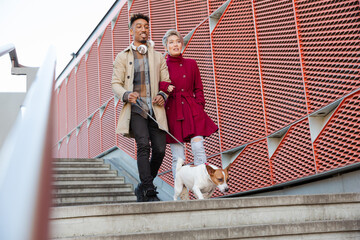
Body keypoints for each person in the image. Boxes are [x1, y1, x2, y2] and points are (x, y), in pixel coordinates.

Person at [112, 13, 171, 202]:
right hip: (136, 108)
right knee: (143, 145)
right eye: (138, 26)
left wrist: (163, 95)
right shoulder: (122, 57)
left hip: (155, 109)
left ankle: (143, 184)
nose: (143, 29)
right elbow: (115, 83)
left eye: (146, 26)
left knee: (160, 149)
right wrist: (127, 94)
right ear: (131, 31)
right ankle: (148, 189)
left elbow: (166, 82)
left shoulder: (159, 56)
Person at [161, 29, 218, 181]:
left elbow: (199, 88)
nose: (175, 45)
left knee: (198, 148)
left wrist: (199, 105)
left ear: (182, 44)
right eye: (171, 42)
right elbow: (156, 86)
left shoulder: (191, 63)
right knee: (178, 158)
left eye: (178, 41)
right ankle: (181, 195)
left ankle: (203, 187)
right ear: (166, 46)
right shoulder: (162, 65)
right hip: (173, 112)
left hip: (192, 110)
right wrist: (164, 86)